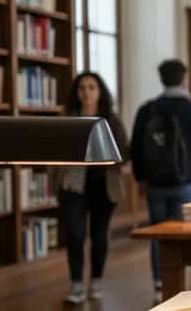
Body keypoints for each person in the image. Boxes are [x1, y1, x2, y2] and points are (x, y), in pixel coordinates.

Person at [130, 59, 191, 303]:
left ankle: (160, 284)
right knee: (182, 232)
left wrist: (140, 177)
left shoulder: (147, 110)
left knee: (158, 232)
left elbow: (135, 147)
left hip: (155, 182)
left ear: (162, 79)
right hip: (187, 180)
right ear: (184, 78)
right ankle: (180, 283)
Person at [57, 73, 130, 304]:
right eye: (81, 88)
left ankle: (96, 281)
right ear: (76, 92)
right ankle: (76, 285)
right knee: (75, 234)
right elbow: (55, 148)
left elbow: (124, 152)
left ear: (100, 92)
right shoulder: (68, 118)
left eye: (91, 87)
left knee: (99, 236)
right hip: (73, 186)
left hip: (104, 186)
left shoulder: (111, 120)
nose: (86, 92)